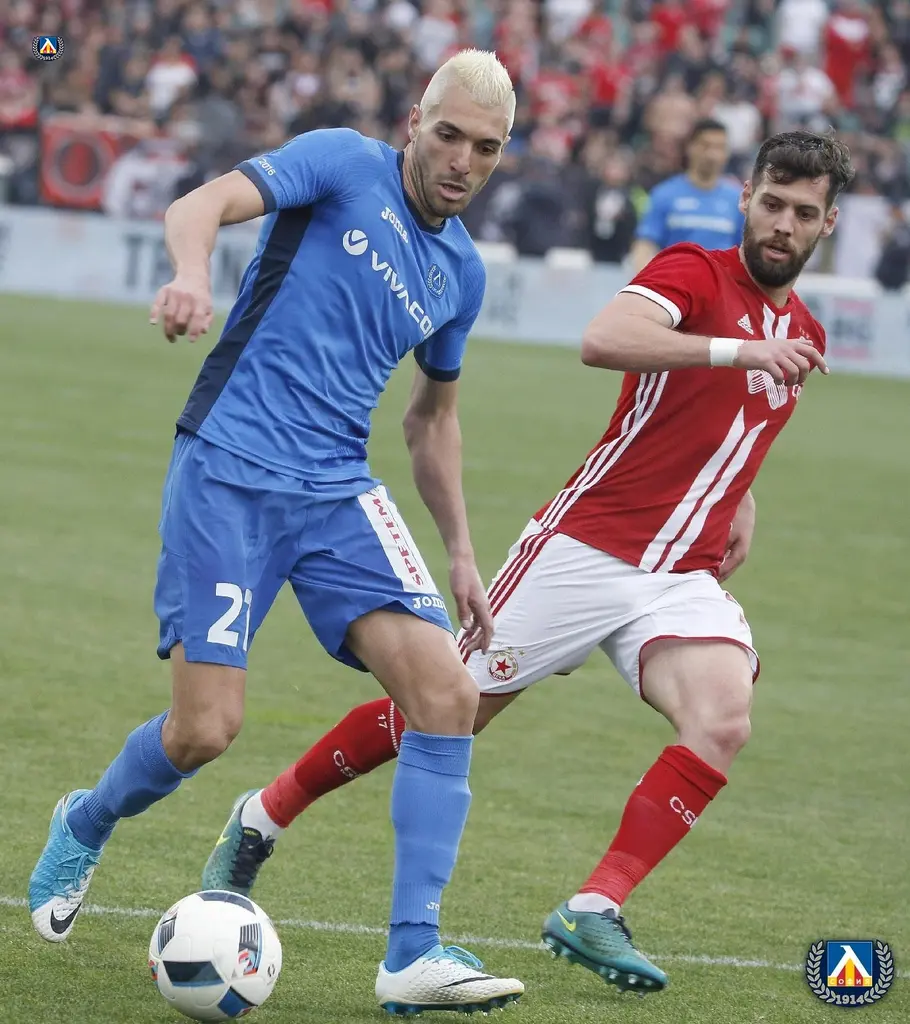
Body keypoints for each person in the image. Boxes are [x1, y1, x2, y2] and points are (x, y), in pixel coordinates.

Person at [201, 130, 855, 995]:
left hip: (679, 576)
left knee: (723, 719)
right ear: (746, 198)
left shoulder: (802, 330)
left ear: (828, 224)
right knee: (447, 708)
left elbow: (729, 419)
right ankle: (263, 814)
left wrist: (742, 495)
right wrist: (736, 350)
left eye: (803, 213)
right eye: (771, 204)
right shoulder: (694, 273)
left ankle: (595, 905)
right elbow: (604, 337)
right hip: (585, 551)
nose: (782, 225)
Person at [28, 49, 527, 1016]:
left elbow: (433, 420)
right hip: (229, 467)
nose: (463, 162)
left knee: (448, 694)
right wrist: (190, 275)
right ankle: (86, 821)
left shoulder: (460, 272)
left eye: (487, 148)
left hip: (337, 489)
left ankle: (413, 956)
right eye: (449, 135)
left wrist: (464, 551)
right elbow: (201, 203)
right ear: (415, 120)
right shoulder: (341, 162)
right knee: (204, 730)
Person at [630, 118, 745, 273]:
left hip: (721, 285)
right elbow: (645, 245)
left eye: (719, 147)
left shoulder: (737, 199)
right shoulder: (664, 194)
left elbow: (746, 251)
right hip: (675, 283)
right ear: (690, 147)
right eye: (706, 146)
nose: (712, 155)